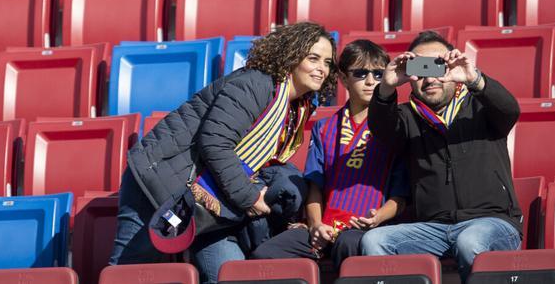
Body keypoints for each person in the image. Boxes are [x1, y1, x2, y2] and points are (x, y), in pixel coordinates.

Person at [110, 22, 338, 283]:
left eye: (328, 62)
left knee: (231, 277)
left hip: (215, 203)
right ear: (290, 55)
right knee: (128, 271)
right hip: (159, 185)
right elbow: (215, 143)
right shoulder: (256, 84)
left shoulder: (295, 108)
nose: (322, 68)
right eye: (313, 58)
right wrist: (250, 197)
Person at [360, 30, 522, 282]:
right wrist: (386, 87)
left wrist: (474, 79)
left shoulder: (481, 106)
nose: (429, 78)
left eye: (438, 66)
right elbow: (381, 129)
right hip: (433, 228)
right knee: (375, 240)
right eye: (420, 69)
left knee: (471, 240)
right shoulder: (405, 116)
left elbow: (510, 109)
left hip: (492, 222)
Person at [250, 39, 410, 269]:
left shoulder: (396, 125)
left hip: (371, 226)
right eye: (361, 73)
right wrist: (315, 225)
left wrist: (377, 218)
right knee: (265, 255)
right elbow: (315, 186)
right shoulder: (324, 128)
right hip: (326, 225)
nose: (370, 81)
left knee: (348, 244)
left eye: (378, 74)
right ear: (343, 79)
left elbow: (400, 197)